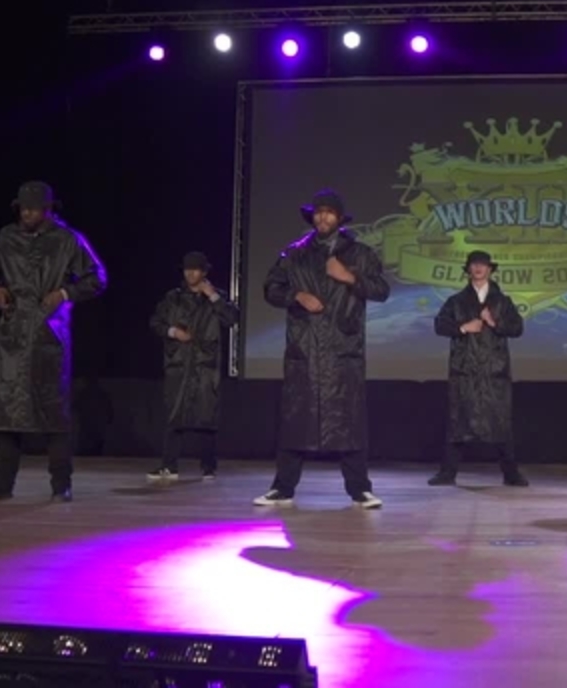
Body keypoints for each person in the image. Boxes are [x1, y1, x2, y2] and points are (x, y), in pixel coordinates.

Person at [254, 190, 390, 508]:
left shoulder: (360, 254)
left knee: (349, 422)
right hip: (304, 349)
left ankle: (360, 490)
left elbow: (382, 290)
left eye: (329, 212)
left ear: (339, 218)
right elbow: (271, 288)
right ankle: (282, 488)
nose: (322, 217)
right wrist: (297, 296)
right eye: (318, 212)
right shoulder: (294, 253)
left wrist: (348, 276)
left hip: (343, 350)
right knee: (295, 421)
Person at [0, 181, 107, 502]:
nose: (27, 213)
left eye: (33, 208)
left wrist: (64, 293)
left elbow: (97, 277)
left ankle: (61, 485)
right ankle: (1, 484)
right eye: (23, 208)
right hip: (12, 333)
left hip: (49, 334)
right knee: (7, 412)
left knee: (53, 412)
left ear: (48, 209)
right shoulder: (6, 237)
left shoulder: (67, 240)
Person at [428, 250, 529, 487]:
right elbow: (440, 325)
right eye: (474, 264)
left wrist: (494, 322)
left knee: (500, 422)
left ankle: (511, 473)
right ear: (468, 270)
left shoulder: (502, 302)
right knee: (458, 422)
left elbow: (517, 328)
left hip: (494, 371)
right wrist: (463, 327)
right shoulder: (456, 301)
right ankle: (447, 473)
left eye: (483, 265)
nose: (478, 268)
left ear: (490, 270)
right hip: (465, 370)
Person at [147, 251, 239, 481]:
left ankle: (208, 467)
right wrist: (173, 332)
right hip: (178, 363)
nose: (190, 273)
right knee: (174, 415)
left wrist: (213, 296)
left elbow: (231, 319)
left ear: (204, 272)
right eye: (187, 269)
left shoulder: (216, 297)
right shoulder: (173, 298)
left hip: (205, 365)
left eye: (195, 269)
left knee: (206, 416)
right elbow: (156, 322)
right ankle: (169, 466)